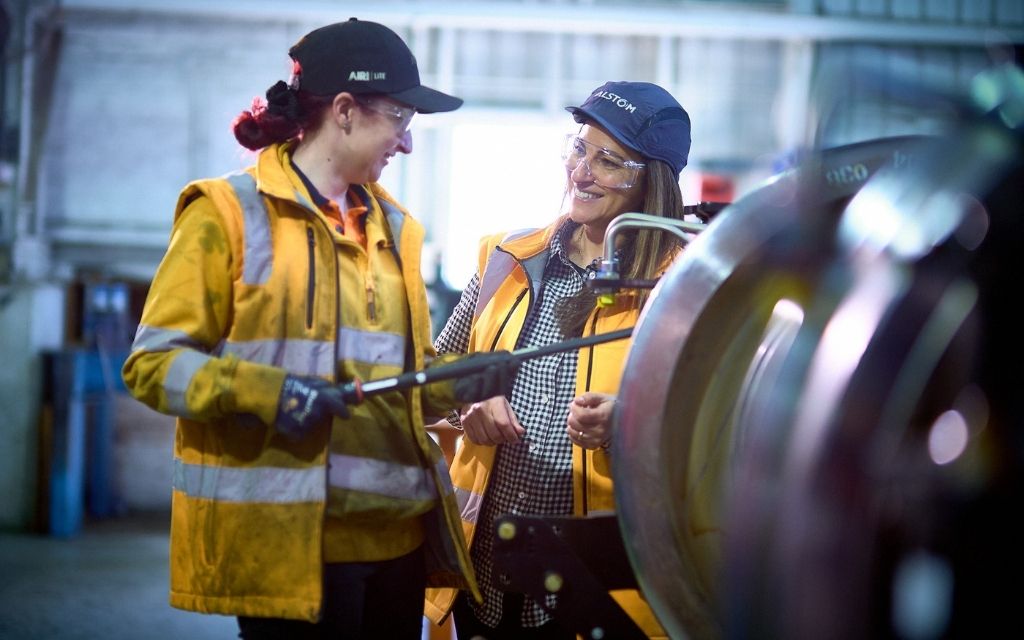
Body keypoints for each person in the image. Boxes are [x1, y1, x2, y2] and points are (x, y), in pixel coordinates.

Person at [121, 18, 510, 640]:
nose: (407, 144)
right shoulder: (227, 214)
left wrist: (458, 381)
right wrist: (272, 394)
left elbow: (396, 378)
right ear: (347, 111)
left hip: (398, 541)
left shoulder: (396, 228)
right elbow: (153, 365)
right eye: (401, 120)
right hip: (294, 546)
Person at [424, 81, 691, 639]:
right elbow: (426, 388)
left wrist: (628, 423)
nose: (582, 172)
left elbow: (719, 439)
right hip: (483, 574)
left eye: (609, 160)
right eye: (578, 149)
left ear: (655, 183)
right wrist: (465, 396)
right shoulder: (508, 260)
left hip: (596, 588)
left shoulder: (682, 291)